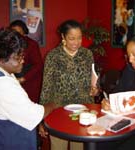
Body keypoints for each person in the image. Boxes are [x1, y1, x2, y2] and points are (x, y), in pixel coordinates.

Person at [0, 28, 55, 150]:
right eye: (18, 58)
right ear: (1, 58)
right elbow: (35, 114)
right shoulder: (2, 84)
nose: (23, 61)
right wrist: (53, 104)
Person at [39, 19, 96, 150]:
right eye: (72, 38)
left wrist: (95, 89)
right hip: (58, 110)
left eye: (79, 38)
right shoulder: (53, 56)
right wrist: (42, 119)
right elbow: (46, 88)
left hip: (83, 111)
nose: (76, 42)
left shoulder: (87, 54)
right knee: (59, 147)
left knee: (79, 147)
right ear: (63, 37)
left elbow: (93, 80)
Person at [10, 20, 43, 103]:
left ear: (24, 33)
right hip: (15, 79)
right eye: (13, 32)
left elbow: (38, 65)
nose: (16, 35)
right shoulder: (10, 44)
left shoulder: (32, 44)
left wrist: (24, 78)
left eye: (19, 32)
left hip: (30, 81)